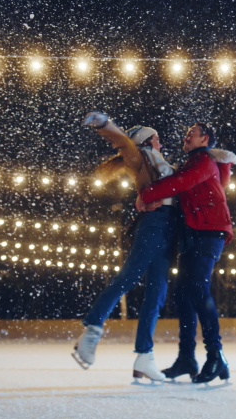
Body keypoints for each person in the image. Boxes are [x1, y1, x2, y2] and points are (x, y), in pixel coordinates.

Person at [73, 111, 180, 381]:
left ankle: (145, 356)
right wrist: (104, 124)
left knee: (157, 293)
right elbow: (124, 143)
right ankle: (93, 327)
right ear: (145, 141)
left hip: (167, 228)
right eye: (156, 138)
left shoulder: (160, 162)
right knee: (130, 275)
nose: (161, 143)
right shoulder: (140, 157)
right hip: (154, 224)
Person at [136, 122, 236, 384]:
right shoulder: (195, 160)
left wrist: (145, 194)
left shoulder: (202, 160)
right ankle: (186, 358)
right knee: (183, 295)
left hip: (209, 230)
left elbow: (180, 183)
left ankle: (215, 355)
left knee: (197, 291)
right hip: (195, 232)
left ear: (205, 138)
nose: (186, 135)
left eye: (191, 132)